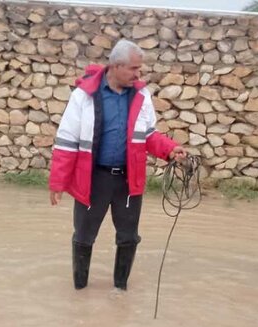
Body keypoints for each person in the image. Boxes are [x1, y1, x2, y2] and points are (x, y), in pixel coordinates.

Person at [48, 39, 186, 291]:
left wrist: (169, 149)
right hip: (94, 180)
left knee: (128, 237)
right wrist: (57, 183)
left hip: (127, 181)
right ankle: (80, 290)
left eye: (139, 69)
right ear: (115, 66)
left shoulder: (141, 95)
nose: (138, 74)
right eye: (133, 69)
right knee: (84, 236)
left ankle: (120, 290)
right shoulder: (83, 96)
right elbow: (66, 142)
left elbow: (149, 134)